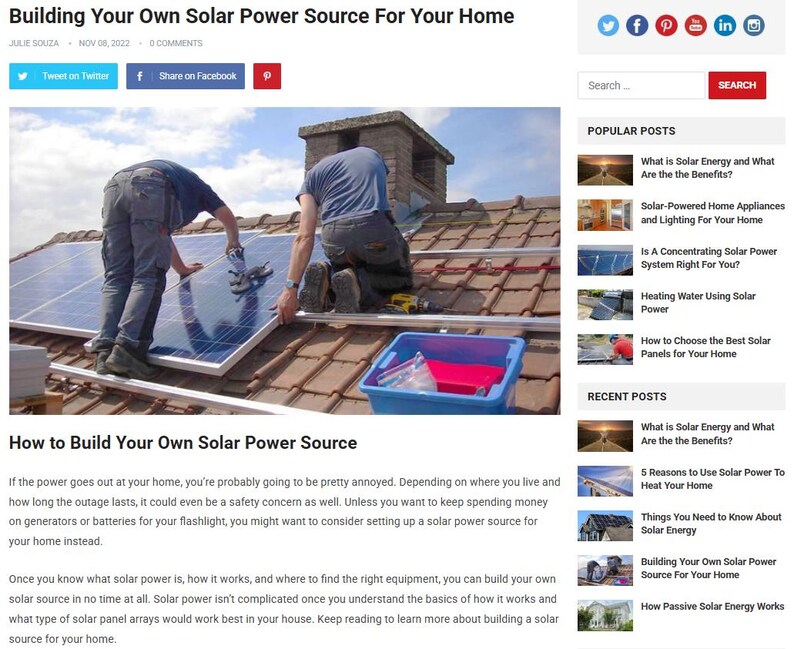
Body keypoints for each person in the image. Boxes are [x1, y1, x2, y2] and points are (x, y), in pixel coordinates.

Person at [93, 160, 241, 380]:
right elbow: (226, 215)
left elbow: (161, 237)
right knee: (148, 276)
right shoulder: (200, 189)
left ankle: (105, 353)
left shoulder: (179, 185)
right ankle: (128, 351)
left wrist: (181, 268)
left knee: (116, 277)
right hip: (149, 184)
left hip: (114, 187)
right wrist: (233, 241)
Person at [276, 146, 413, 325]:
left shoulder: (311, 176)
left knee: (344, 268)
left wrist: (290, 289)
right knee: (402, 277)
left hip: (334, 237)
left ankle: (328, 275)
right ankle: (359, 284)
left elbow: (304, 235)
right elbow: (384, 204)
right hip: (373, 227)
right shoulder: (371, 154)